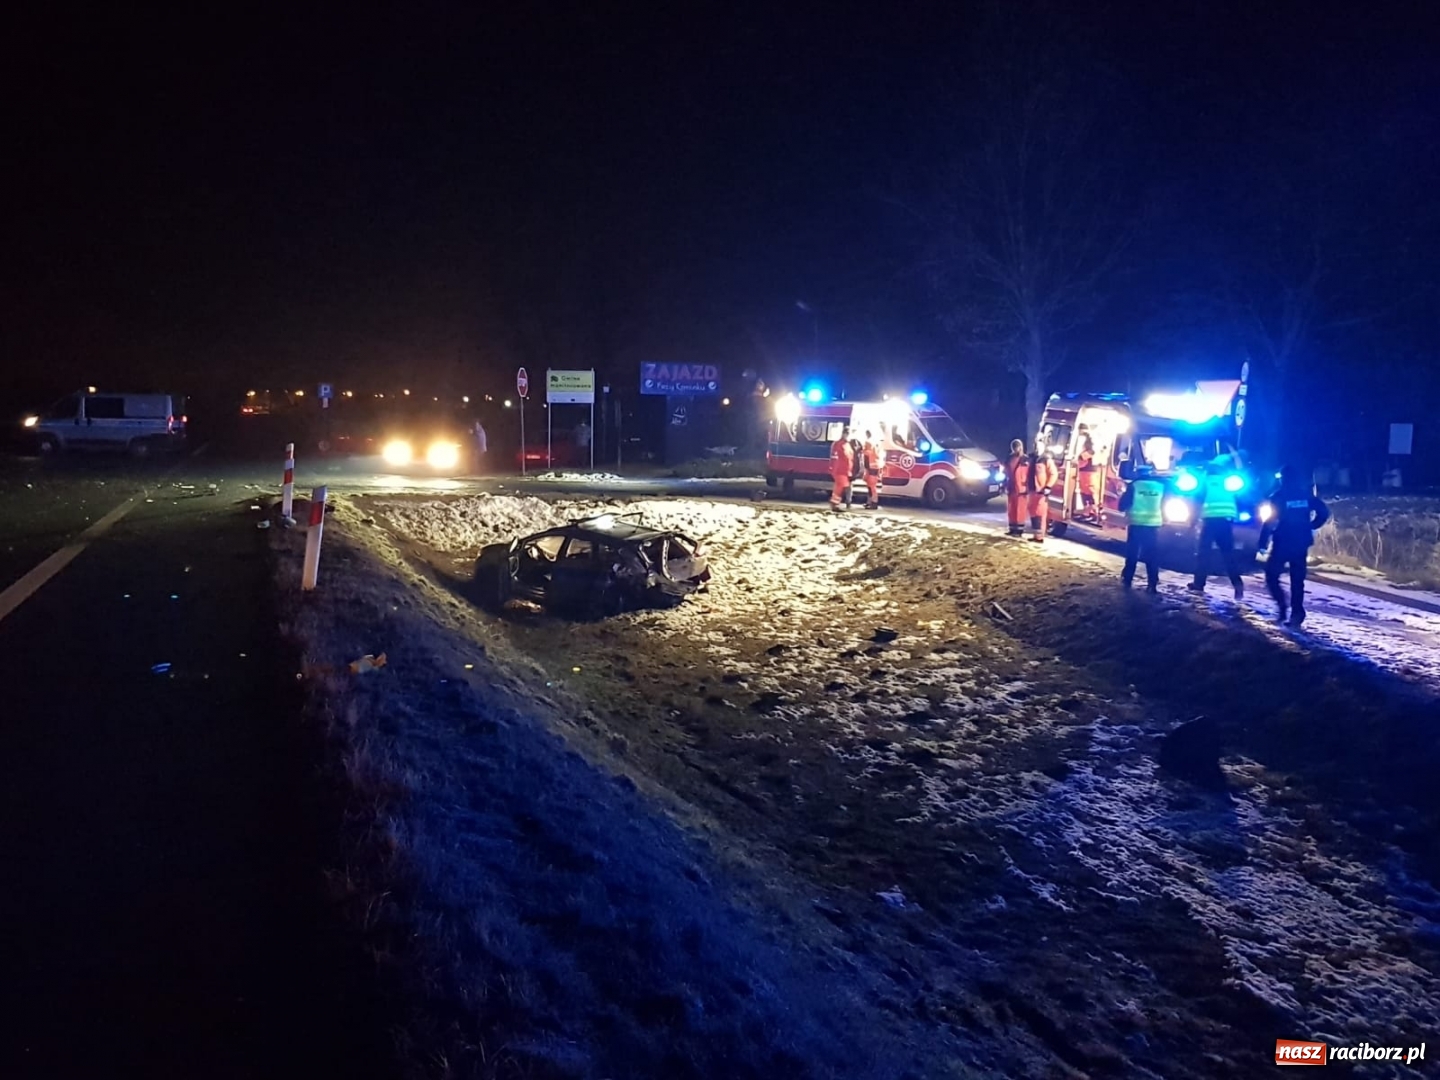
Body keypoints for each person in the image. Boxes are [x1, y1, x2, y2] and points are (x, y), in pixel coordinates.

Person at [1259, 464, 1331, 627]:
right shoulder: (1305, 495)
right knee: (1297, 580)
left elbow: (1270, 520)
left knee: (1272, 576)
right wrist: (1312, 525)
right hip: (1301, 541)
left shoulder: (1278, 496)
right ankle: (1297, 614)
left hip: (1283, 541)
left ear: (1283, 478)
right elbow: (1324, 512)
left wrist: (1263, 541)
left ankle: (1283, 609)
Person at [1188, 455, 1246, 600]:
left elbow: (1198, 501)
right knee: (1228, 555)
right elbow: (1240, 497)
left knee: (1203, 553)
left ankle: (1199, 583)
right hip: (1226, 522)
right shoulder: (1228, 482)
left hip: (1210, 521)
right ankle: (1238, 585)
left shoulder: (1204, 481)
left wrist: (1193, 520)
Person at [1117, 463, 1165, 591]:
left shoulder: (1134, 486)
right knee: (1152, 555)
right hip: (1153, 525)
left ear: (1138, 473)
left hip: (1136, 524)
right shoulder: (1160, 486)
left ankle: (1127, 579)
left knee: (1132, 553)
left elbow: (1121, 506)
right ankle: (1152, 584)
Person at [1025, 438, 1058, 543]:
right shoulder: (1032, 458)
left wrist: (1048, 486)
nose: (1037, 448)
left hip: (1041, 491)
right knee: (1033, 513)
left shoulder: (1046, 459)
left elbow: (1053, 474)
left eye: (1039, 446)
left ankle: (1040, 537)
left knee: (1040, 513)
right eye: (1036, 446)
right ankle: (1036, 535)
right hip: (1032, 490)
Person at [1004, 438, 1028, 537]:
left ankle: (1019, 530)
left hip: (1021, 488)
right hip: (1012, 487)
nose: (1016, 449)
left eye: (1017, 447)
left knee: (1020, 510)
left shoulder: (1025, 460)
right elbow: (1006, 472)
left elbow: (1029, 474)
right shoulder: (1009, 458)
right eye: (1014, 447)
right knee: (1011, 509)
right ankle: (1012, 529)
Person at [1074, 424, 1098, 522]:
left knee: (1089, 492)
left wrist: (1081, 457)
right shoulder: (1084, 440)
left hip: (1088, 470)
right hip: (1083, 469)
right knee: (1084, 492)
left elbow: (1092, 451)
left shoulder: (1089, 440)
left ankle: (1093, 513)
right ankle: (1086, 512)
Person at [829, 425, 855, 511]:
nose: (848, 435)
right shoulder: (838, 444)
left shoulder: (847, 444)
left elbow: (850, 457)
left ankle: (835, 503)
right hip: (839, 469)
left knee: (841, 486)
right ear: (844, 434)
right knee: (841, 486)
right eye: (847, 433)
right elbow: (834, 457)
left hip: (845, 470)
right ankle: (834, 504)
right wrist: (832, 467)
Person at [861, 429, 883, 510]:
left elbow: (869, 453)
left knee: (872, 486)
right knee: (870, 486)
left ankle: (874, 502)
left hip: (872, 466)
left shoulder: (869, 442)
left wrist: (862, 450)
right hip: (875, 465)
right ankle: (870, 502)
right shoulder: (877, 442)